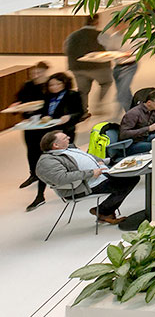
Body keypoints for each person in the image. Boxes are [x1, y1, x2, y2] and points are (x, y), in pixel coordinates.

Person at [34, 129, 139, 225]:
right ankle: (103, 212)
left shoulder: (68, 148)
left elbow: (86, 156)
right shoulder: (47, 162)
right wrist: (91, 173)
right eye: (65, 138)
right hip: (83, 186)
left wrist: (99, 161)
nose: (69, 138)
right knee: (129, 181)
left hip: (99, 176)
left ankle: (105, 210)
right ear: (55, 145)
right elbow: (61, 178)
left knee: (129, 174)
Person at [27, 74, 87, 211]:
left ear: (64, 84)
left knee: (70, 158)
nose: (54, 87)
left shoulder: (72, 95)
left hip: (64, 132)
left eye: (57, 84)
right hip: (47, 133)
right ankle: (40, 195)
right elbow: (42, 112)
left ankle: (78, 186)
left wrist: (69, 117)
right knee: (46, 162)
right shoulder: (47, 96)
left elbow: (80, 112)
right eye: (51, 85)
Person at [63, 15, 115, 116]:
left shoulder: (72, 35)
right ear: (97, 22)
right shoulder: (102, 35)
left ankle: (83, 112)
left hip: (77, 67)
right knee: (106, 83)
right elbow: (111, 49)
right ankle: (98, 106)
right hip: (99, 67)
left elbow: (66, 50)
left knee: (82, 90)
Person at [14, 62, 50, 190]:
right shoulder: (28, 85)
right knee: (31, 149)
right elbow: (19, 100)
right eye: (34, 73)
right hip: (30, 123)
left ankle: (49, 174)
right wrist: (16, 105)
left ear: (46, 71)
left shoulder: (50, 85)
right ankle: (33, 174)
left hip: (46, 123)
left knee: (46, 149)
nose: (36, 75)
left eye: (39, 72)